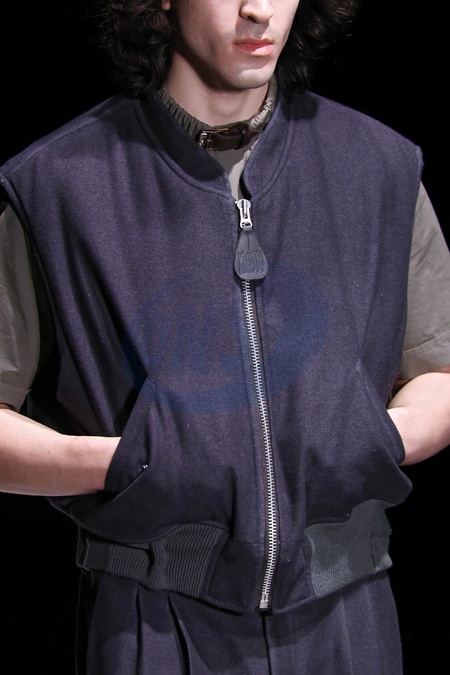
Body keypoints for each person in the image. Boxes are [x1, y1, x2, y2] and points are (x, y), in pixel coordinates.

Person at [1, 0, 450, 672]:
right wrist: (132, 462)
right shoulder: (59, 183)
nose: (258, 10)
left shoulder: (378, 167)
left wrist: (370, 437)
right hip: (154, 620)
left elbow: (438, 368)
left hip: (348, 615)